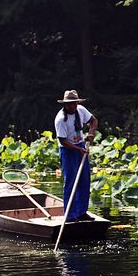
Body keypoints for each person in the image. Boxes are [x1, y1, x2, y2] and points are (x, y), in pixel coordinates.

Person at [54, 90, 97, 222]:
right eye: (69, 104)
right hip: (68, 151)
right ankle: (70, 215)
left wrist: (90, 133)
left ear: (77, 103)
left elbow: (93, 121)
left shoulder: (81, 110)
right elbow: (63, 141)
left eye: (74, 103)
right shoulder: (60, 119)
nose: (71, 106)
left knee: (84, 180)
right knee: (71, 182)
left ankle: (81, 212)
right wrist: (78, 148)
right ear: (65, 104)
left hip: (80, 146)